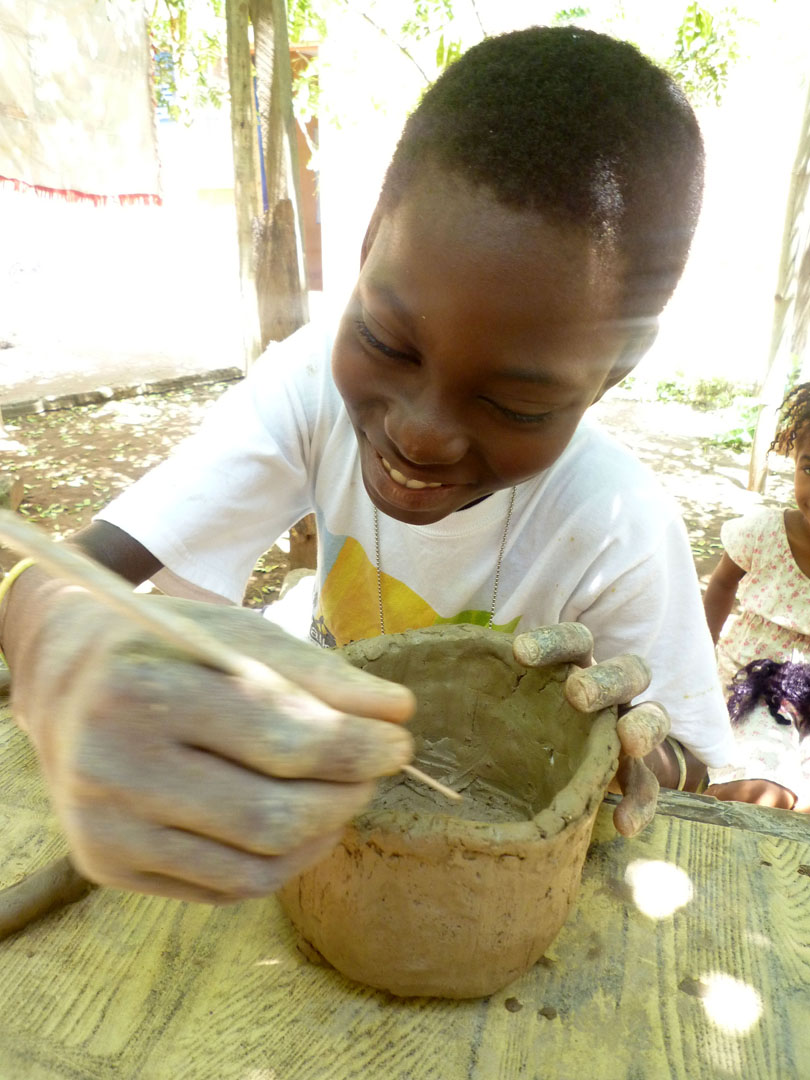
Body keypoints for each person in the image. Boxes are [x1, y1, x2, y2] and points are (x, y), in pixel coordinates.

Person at [0, 26, 734, 904]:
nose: (421, 436)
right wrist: (49, 627)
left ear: (616, 374)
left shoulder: (617, 529)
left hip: (478, 890)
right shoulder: (311, 388)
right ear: (364, 252)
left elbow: (690, 761)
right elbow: (69, 569)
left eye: (516, 406)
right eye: (385, 340)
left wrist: (632, 752)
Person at [703, 382, 810, 811]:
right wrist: (698, 652)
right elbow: (723, 585)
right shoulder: (763, 533)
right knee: (756, 792)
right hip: (755, 685)